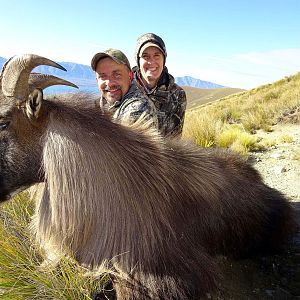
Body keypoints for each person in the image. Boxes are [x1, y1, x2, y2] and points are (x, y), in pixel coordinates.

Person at [133, 33, 187, 138]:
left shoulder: (178, 95)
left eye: (157, 55)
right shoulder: (125, 88)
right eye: (145, 56)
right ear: (138, 61)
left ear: (164, 59)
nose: (151, 62)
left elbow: (176, 140)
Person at [91, 48, 158, 127]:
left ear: (130, 76)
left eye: (117, 75)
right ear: (97, 80)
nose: (109, 83)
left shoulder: (139, 108)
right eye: (103, 76)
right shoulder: (98, 105)